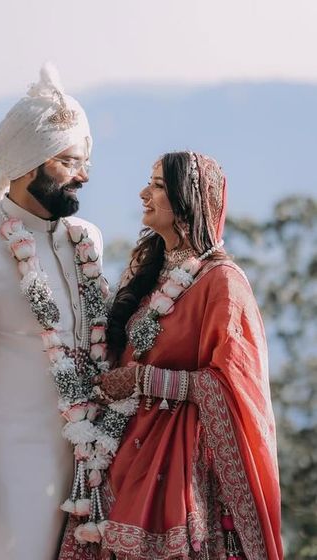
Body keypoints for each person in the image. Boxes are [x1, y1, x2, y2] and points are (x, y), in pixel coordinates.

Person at [60, 152, 283, 559]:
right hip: (121, 452)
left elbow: (235, 387)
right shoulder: (145, 272)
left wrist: (146, 380)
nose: (144, 193)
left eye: (159, 185)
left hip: (179, 471)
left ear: (188, 200)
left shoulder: (222, 283)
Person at [0, 63, 104, 560]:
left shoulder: (85, 240)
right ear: (29, 165)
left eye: (84, 161)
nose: (84, 175)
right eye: (69, 162)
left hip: (86, 468)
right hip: (7, 477)